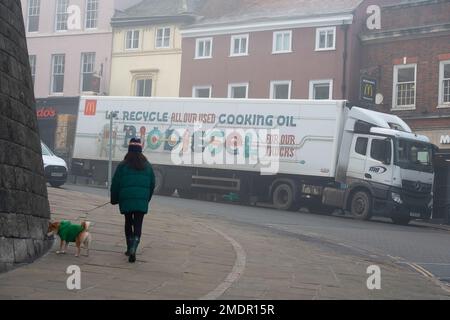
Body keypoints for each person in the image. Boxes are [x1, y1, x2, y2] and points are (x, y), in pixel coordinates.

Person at [110, 138, 155, 263]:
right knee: (138, 224)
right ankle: (135, 245)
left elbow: (115, 184)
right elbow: (152, 184)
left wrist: (114, 199)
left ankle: (129, 247)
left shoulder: (123, 165)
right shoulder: (148, 166)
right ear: (140, 150)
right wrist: (146, 199)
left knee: (128, 222)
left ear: (129, 149)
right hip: (141, 201)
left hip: (126, 199)